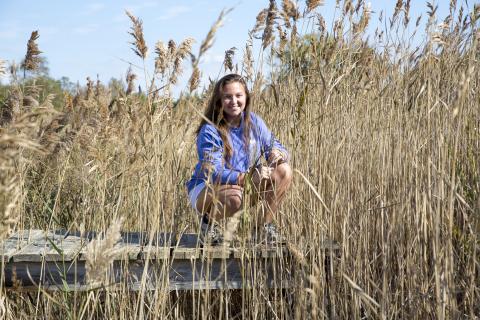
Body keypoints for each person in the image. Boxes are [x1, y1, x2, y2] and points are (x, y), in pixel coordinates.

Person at [186, 74, 293, 245]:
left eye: (238, 95)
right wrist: (246, 178)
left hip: (242, 185)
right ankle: (208, 226)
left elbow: (278, 146)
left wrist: (278, 153)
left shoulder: (254, 122)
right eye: (227, 97)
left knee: (284, 170)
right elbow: (212, 172)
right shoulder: (210, 129)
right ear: (219, 100)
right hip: (206, 188)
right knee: (235, 197)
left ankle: (262, 229)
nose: (234, 101)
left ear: (246, 97)